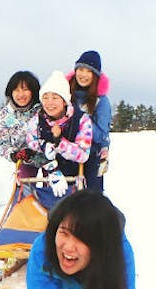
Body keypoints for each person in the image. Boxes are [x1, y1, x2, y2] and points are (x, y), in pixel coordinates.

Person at [22, 70, 93, 210]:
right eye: (46, 98)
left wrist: (59, 142)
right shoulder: (37, 120)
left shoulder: (81, 120)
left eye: (55, 98)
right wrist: (48, 154)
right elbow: (31, 142)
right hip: (50, 177)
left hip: (75, 179)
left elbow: (83, 154)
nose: (49, 103)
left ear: (64, 100)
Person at [67, 50, 112, 192]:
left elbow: (101, 135)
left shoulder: (101, 101)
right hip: (66, 151)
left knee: (91, 198)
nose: (83, 75)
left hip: (91, 154)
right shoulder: (65, 94)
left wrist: (80, 118)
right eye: (80, 69)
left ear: (95, 75)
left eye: (89, 71)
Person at [0, 71, 41, 187]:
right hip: (25, 161)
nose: (21, 95)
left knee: (53, 190)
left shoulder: (43, 110)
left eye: (25, 90)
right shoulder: (5, 115)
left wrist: (36, 151)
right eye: (17, 90)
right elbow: (1, 143)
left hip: (48, 158)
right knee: (23, 189)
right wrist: (13, 154)